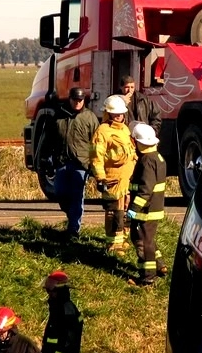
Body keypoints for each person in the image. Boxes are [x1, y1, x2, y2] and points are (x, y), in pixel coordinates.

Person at [51, 87, 100, 238]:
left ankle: (73, 229)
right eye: (75, 100)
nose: (77, 103)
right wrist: (46, 157)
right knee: (59, 193)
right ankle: (71, 215)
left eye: (80, 100)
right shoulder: (58, 116)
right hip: (61, 161)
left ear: (84, 100)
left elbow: (97, 143)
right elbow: (48, 138)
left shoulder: (90, 118)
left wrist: (95, 164)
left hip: (81, 164)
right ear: (70, 99)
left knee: (77, 195)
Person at [91, 94, 137, 253]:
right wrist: (100, 178)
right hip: (112, 180)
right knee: (114, 212)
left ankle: (123, 238)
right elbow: (97, 157)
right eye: (116, 113)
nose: (119, 116)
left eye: (121, 113)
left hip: (127, 179)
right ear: (108, 113)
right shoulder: (102, 132)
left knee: (125, 210)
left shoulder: (125, 129)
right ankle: (113, 244)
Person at [126, 123, 168, 287]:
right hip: (153, 210)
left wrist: (133, 209)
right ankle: (159, 264)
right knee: (147, 239)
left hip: (145, 211)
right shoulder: (158, 157)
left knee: (143, 243)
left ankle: (147, 277)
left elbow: (146, 189)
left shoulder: (146, 161)